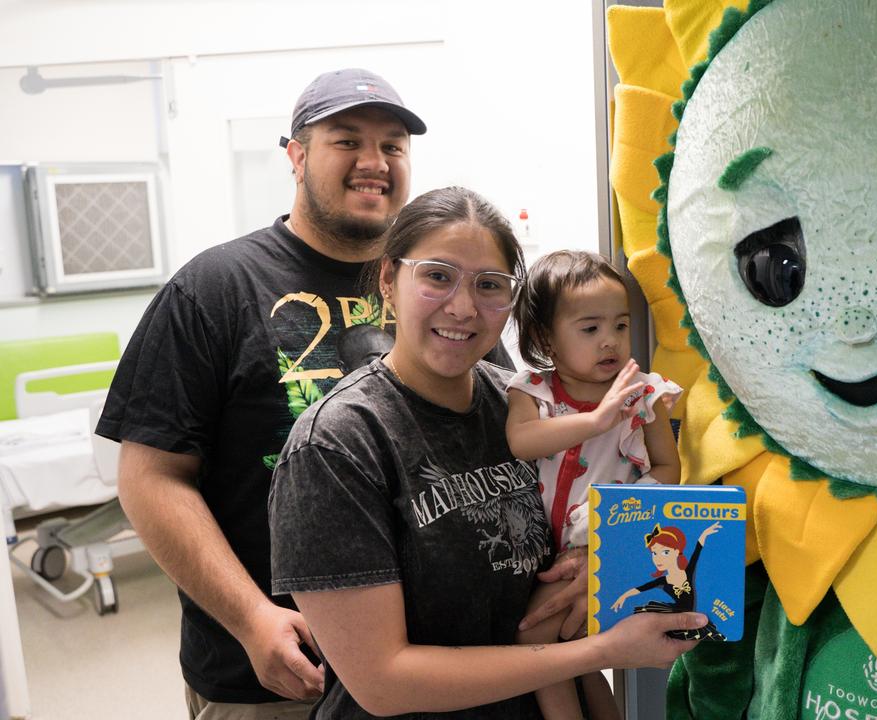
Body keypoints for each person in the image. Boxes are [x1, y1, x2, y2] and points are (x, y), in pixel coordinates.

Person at [97, 68, 510, 718]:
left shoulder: (441, 289)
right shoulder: (215, 289)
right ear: (295, 154)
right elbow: (149, 478)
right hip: (280, 673)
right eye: (346, 140)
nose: (374, 162)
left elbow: (500, 442)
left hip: (443, 667)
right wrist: (251, 617)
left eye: (393, 145)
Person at [268, 186, 707, 719]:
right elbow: (381, 682)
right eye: (436, 276)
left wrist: (592, 558)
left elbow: (594, 501)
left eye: (489, 285)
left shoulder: (526, 401)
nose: (463, 306)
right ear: (388, 280)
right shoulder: (339, 444)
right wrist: (603, 651)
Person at [505, 250, 681, 719]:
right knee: (579, 662)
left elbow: (668, 469)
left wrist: (613, 526)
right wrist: (599, 420)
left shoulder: (643, 394)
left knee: (534, 637)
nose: (610, 342)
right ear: (547, 337)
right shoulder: (532, 390)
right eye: (590, 329)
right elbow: (521, 441)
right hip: (537, 553)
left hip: (607, 543)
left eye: (620, 326)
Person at [610, 522, 726, 642]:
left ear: (676, 551)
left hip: (691, 617)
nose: (658, 558)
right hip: (676, 615)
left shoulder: (688, 572)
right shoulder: (662, 581)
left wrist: (704, 534)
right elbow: (641, 588)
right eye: (654, 553)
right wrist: (623, 596)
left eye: (665, 552)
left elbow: (696, 552)